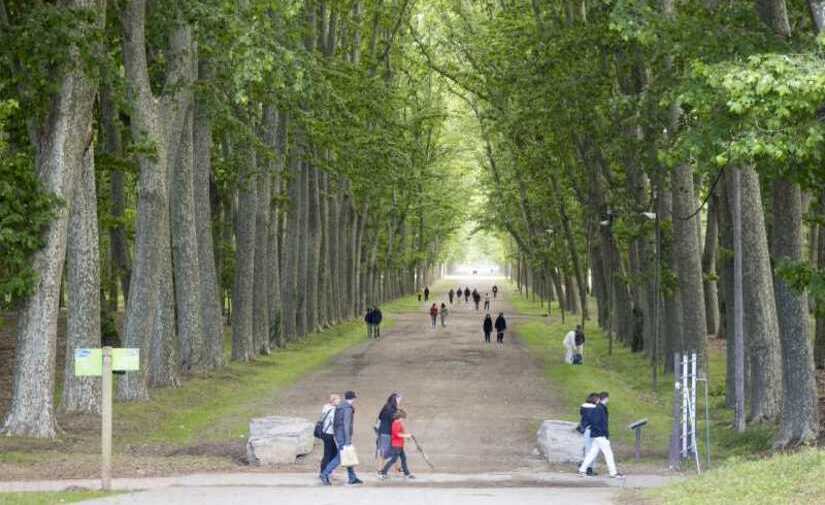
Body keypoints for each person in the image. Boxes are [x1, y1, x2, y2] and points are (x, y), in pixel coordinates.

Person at [320, 391, 363, 486]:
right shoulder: (347, 408)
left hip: (339, 435)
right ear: (353, 398)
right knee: (340, 457)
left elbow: (337, 423)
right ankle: (324, 474)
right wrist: (347, 441)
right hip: (344, 436)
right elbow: (346, 425)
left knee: (347, 455)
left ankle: (352, 478)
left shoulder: (341, 406)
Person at [578, 392, 623, 479]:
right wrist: (603, 433)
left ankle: (582, 469)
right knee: (608, 453)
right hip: (600, 434)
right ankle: (613, 473)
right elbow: (599, 423)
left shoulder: (597, 408)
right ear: (604, 399)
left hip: (597, 434)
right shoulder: (599, 408)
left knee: (592, 453)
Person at [378, 409, 415, 480]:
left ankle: (407, 473)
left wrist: (407, 436)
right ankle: (383, 473)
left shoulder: (398, 423)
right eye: (402, 418)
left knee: (403, 459)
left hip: (400, 445)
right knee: (393, 460)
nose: (403, 420)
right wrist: (406, 436)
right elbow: (396, 434)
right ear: (399, 417)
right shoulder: (395, 423)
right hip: (396, 445)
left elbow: (401, 432)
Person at [376, 393, 401, 472]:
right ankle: (380, 470)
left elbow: (379, 417)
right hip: (387, 433)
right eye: (399, 399)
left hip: (383, 432)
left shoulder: (386, 406)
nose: (400, 401)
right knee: (384, 452)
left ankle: (397, 468)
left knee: (393, 451)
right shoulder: (392, 409)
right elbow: (394, 420)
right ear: (395, 399)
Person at [319, 394, 341, 478]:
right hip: (329, 433)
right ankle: (324, 472)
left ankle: (326, 470)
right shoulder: (332, 410)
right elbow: (334, 422)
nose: (339, 401)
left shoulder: (326, 407)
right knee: (329, 453)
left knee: (330, 453)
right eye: (338, 400)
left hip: (325, 433)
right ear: (333, 401)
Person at [578, 393, 599, 476]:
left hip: (586, 430)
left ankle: (586, 467)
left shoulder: (583, 407)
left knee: (588, 449)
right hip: (593, 430)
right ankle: (588, 468)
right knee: (592, 451)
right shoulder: (595, 409)